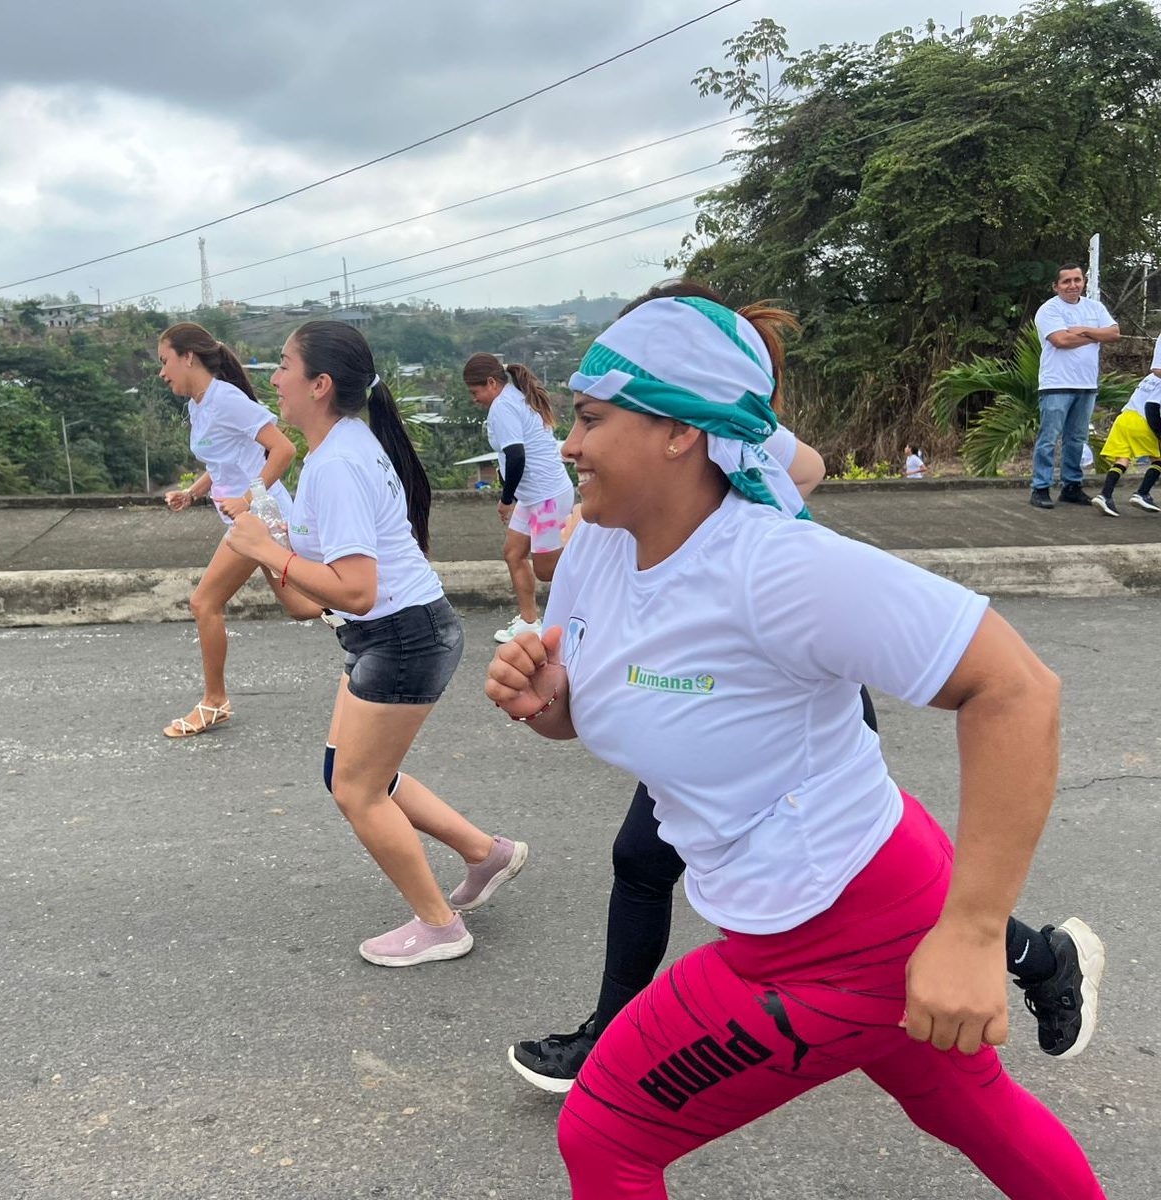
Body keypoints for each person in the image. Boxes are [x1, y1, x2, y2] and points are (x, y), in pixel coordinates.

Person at [487, 296, 1105, 1198]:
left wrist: (973, 935)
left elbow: (1017, 690)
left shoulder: (775, 567)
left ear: (679, 434)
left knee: (606, 1134)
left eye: (590, 419)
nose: (568, 445)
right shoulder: (596, 550)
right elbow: (593, 710)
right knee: (967, 1107)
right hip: (858, 890)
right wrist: (549, 704)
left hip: (839, 931)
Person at [226, 320, 527, 966]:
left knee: (357, 789)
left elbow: (356, 589)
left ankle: (441, 926)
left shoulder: (336, 463)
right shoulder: (345, 445)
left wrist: (265, 553)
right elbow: (316, 599)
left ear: (320, 383)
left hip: (400, 637)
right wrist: (274, 551)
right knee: (356, 774)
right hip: (392, 632)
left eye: (283, 365)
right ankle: (486, 852)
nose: (274, 377)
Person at [158, 322, 297, 738]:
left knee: (204, 602)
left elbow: (283, 449)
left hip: (258, 519)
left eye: (165, 362)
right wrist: (195, 491)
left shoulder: (226, 399)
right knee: (305, 606)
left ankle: (215, 701)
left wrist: (249, 500)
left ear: (188, 357)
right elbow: (225, 460)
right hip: (247, 519)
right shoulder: (199, 404)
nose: (163, 373)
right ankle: (375, 612)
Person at [463, 354, 575, 643]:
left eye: (475, 392)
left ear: (491, 382)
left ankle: (593, 601)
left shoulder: (503, 407)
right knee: (513, 553)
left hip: (546, 497)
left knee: (547, 571)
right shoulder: (515, 397)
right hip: (535, 496)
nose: (474, 399)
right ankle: (529, 622)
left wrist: (506, 498)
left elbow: (515, 455)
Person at [1030, 263, 1119, 509]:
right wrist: (1095, 335)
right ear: (1056, 286)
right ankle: (1040, 487)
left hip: (1086, 384)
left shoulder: (1095, 308)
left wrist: (1084, 330)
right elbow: (1060, 340)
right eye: (1066, 281)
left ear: (1084, 282)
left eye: (1077, 280)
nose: (1073, 285)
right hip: (1056, 384)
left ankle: (1071, 486)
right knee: (1049, 438)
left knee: (1076, 438)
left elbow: (1114, 334)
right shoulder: (1049, 310)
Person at [1092, 335, 1161, 516]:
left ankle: (1105, 495)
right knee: (1159, 460)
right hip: (1143, 420)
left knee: (1122, 460)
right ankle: (1142, 493)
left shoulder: (1150, 378)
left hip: (1124, 418)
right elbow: (1152, 407)